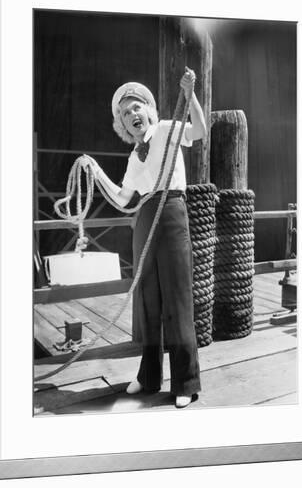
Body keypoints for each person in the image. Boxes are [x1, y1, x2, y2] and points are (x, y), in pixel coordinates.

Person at [89, 68, 207, 408]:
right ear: (123, 126)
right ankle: (149, 375)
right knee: (146, 299)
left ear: (148, 110)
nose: (132, 115)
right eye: (125, 113)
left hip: (170, 211)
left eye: (136, 107)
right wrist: (97, 173)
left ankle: (186, 382)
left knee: (177, 296)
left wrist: (190, 95)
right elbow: (125, 198)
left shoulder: (169, 129)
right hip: (144, 217)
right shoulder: (131, 157)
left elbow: (198, 131)